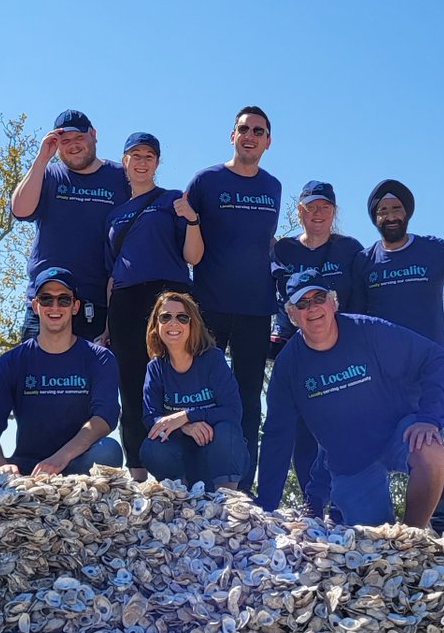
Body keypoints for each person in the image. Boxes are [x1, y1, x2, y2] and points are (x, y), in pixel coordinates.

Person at [258, 275, 444, 526]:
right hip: (351, 462)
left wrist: (429, 418)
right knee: (372, 542)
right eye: (302, 304)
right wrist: (266, 507)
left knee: (431, 450)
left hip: (398, 434)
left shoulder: (369, 331)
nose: (313, 308)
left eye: (319, 298)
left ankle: (414, 537)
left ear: (333, 303)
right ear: (292, 316)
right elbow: (277, 434)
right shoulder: (289, 366)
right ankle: (387, 542)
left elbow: (433, 358)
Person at [352, 179, 444, 533]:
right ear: (374, 218)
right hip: (381, 375)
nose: (390, 216)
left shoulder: (432, 250)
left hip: (427, 371)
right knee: (380, 442)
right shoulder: (365, 261)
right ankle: (381, 522)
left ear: (407, 213)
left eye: (396, 209)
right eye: (382, 211)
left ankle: (442, 523)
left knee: (430, 440)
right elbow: (356, 317)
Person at [0, 268, 123, 479]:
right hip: (24, 470)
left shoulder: (99, 358)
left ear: (75, 307)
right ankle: (20, 492)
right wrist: (0, 468)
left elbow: (104, 417)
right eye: (46, 299)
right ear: (35, 306)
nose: (55, 307)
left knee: (109, 451)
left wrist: (60, 459)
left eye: (63, 300)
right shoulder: (11, 362)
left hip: (75, 464)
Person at [186, 106, 282, 490]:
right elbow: (188, 237)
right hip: (208, 306)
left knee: (246, 399)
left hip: (256, 310)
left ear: (267, 141)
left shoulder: (273, 187)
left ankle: (241, 485)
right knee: (199, 390)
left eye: (258, 131)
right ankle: (195, 479)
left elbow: (265, 246)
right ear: (232, 135)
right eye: (244, 129)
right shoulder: (206, 180)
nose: (250, 136)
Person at [105, 132, 204, 479]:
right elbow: (112, 273)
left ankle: (183, 465)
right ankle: (138, 468)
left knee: (176, 377)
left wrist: (191, 219)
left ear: (157, 162)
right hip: (126, 301)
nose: (142, 161)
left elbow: (194, 256)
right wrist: (107, 322)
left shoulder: (173, 200)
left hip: (169, 296)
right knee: (130, 384)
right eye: (135, 155)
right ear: (125, 161)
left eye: (149, 156)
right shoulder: (115, 214)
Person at [270, 181, 363, 508]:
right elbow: (277, 298)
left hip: (341, 350)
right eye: (311, 207)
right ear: (300, 211)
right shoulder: (284, 250)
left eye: (325, 207)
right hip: (297, 350)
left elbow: (362, 297)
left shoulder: (350, 248)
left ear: (334, 211)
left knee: (342, 425)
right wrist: (278, 335)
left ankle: (342, 502)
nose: (318, 213)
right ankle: (313, 505)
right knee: (302, 427)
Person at [11, 109, 130, 341]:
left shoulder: (120, 176)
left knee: (98, 376)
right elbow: (20, 210)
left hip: (99, 303)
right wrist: (42, 158)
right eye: (65, 141)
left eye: (79, 138)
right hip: (47, 302)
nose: (73, 145)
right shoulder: (49, 175)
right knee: (35, 374)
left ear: (93, 135)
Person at [140, 292, 249, 491]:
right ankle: (182, 500)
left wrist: (187, 415)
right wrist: (184, 426)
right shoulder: (155, 368)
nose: (173, 323)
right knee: (151, 444)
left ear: (193, 324)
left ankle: (229, 502)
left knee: (227, 431)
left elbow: (233, 411)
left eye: (182, 317)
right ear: (156, 325)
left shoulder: (212, 359)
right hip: (181, 455)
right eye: (165, 317)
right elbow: (150, 418)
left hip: (216, 455)